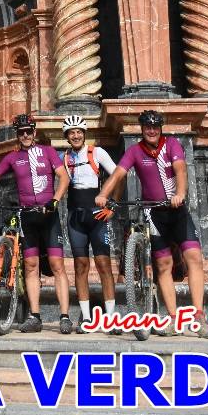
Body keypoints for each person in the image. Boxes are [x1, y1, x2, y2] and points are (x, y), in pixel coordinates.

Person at [95, 108, 208, 338]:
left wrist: (180, 193)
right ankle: (172, 318)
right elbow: (118, 174)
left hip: (177, 210)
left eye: (155, 127)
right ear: (142, 129)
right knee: (163, 265)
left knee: (194, 257)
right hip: (155, 214)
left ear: (160, 128)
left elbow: (181, 171)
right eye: (147, 127)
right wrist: (104, 195)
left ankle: (199, 316)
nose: (151, 130)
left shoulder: (172, 145)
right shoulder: (135, 151)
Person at [0, 113, 72, 334]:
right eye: (22, 132)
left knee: (57, 265)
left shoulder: (47, 152)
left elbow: (63, 178)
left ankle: (65, 316)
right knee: (30, 266)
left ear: (34, 132)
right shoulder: (12, 157)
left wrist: (55, 200)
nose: (26, 135)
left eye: (29, 131)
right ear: (18, 135)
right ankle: (35, 316)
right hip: (28, 216)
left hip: (49, 215)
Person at [61, 114, 119, 332]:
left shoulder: (97, 152)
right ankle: (86, 318)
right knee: (80, 265)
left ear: (84, 134)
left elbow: (118, 176)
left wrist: (113, 204)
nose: (75, 136)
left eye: (79, 132)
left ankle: (111, 318)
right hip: (75, 216)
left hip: (97, 216)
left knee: (104, 264)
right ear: (67, 137)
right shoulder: (64, 157)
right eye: (71, 133)